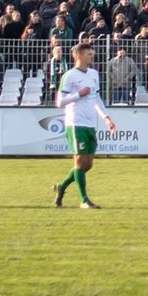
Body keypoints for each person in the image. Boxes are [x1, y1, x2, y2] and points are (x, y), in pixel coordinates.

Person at [52, 42, 118, 209]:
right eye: (89, 53)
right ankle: (84, 200)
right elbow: (60, 102)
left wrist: (107, 118)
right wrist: (78, 94)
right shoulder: (69, 75)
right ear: (78, 56)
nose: (92, 55)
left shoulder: (94, 74)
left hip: (90, 124)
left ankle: (61, 186)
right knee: (80, 163)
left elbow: (96, 99)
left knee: (87, 165)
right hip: (75, 123)